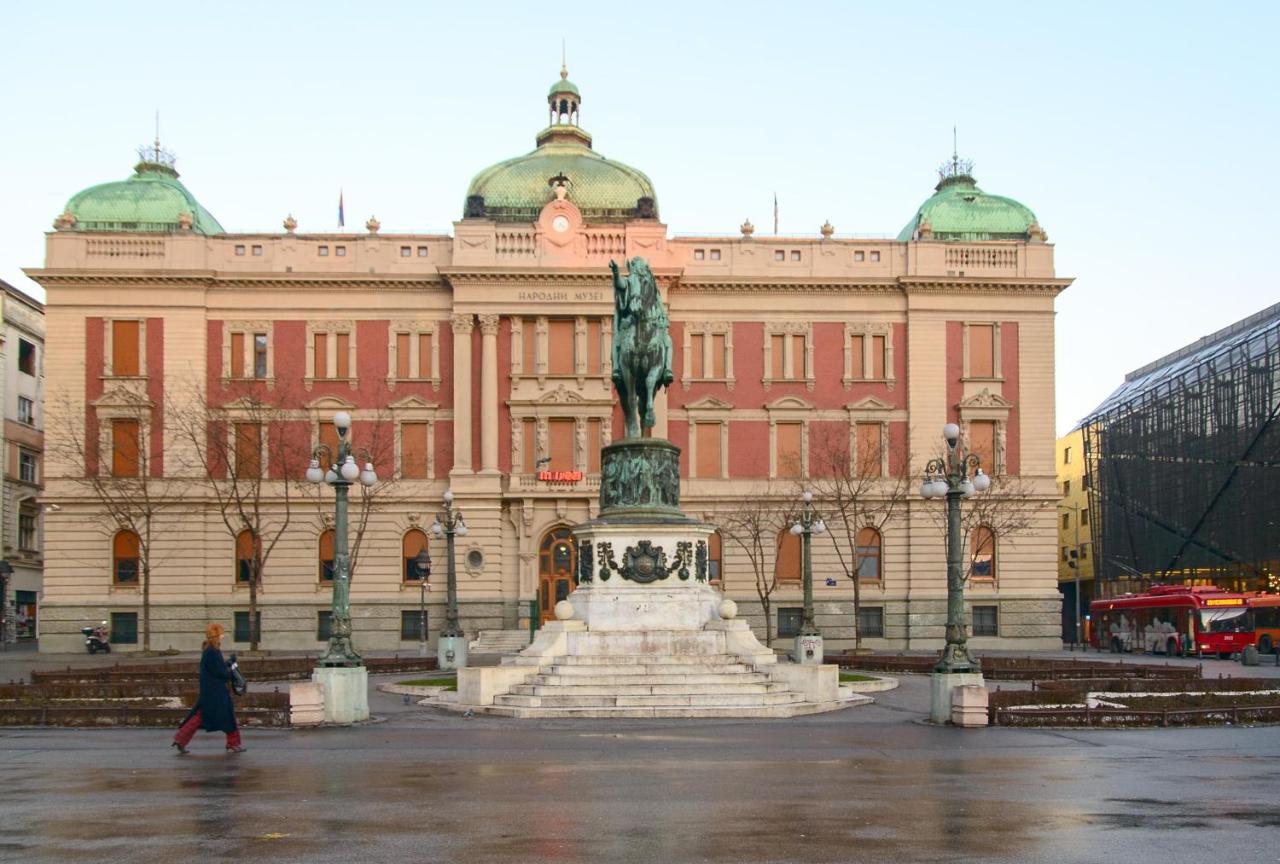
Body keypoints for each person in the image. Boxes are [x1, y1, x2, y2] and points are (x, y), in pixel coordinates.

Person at [172, 623, 244, 754]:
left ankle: (180, 739)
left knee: (201, 715)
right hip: (216, 690)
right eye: (221, 633)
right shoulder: (212, 651)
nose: (223, 636)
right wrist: (231, 674)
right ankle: (233, 743)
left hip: (210, 690)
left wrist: (227, 663)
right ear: (216, 635)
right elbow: (218, 672)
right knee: (227, 716)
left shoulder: (210, 649)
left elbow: (216, 668)